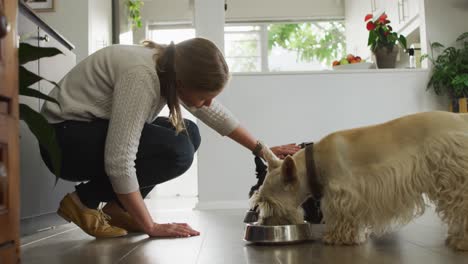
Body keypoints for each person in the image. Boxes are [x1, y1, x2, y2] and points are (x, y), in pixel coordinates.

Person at [39, 37, 301, 239]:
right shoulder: (142, 77)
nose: (208, 103)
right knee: (177, 150)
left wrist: (262, 150)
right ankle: (83, 201)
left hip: (84, 130)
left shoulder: (169, 66)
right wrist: (151, 226)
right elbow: (120, 160)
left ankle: (118, 209)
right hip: (63, 142)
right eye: (204, 96)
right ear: (181, 83)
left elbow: (215, 115)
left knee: (190, 133)